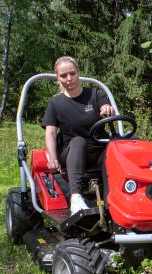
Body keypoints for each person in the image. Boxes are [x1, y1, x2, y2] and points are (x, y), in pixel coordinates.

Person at [41, 56, 115, 215]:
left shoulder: (94, 94)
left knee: (126, 144)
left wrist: (106, 108)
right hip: (72, 151)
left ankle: (116, 199)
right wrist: (53, 157)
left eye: (72, 73)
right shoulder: (56, 103)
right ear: (58, 78)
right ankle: (76, 198)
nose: (69, 79)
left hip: (98, 149)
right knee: (79, 141)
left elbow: (105, 105)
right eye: (63, 75)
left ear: (78, 73)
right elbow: (51, 132)